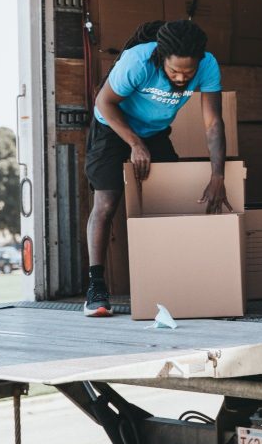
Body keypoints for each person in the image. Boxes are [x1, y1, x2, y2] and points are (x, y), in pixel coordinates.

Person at [84, 18, 231, 318]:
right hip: (112, 127)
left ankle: (172, 283)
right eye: (174, 70)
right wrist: (135, 144)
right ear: (161, 57)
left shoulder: (208, 65)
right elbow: (104, 102)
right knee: (107, 201)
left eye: (187, 73)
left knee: (169, 199)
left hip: (154, 131)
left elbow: (213, 123)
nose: (180, 78)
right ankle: (96, 288)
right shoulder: (137, 61)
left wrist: (218, 175)